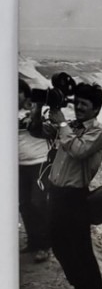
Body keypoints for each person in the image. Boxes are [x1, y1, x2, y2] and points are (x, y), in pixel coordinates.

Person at [29, 82, 102, 289]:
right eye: (77, 103)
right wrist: (38, 108)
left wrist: (62, 123)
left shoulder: (97, 130)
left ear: (96, 109)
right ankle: (80, 288)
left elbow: (78, 150)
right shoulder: (71, 126)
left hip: (76, 197)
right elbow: (36, 131)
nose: (79, 108)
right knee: (59, 245)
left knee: (82, 250)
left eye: (85, 105)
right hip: (57, 194)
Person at [18, 78, 51, 262]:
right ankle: (33, 241)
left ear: (25, 92)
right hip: (18, 164)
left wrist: (36, 109)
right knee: (24, 204)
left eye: (18, 92)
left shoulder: (39, 108)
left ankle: (45, 245)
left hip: (40, 162)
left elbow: (42, 126)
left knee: (38, 202)